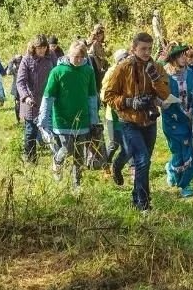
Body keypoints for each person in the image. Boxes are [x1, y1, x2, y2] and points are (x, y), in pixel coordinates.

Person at [102, 32, 171, 212]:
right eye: (143, 49)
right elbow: (108, 95)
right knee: (142, 161)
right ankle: (144, 204)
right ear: (134, 48)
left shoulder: (156, 67)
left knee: (143, 162)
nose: (147, 52)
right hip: (129, 121)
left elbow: (165, 94)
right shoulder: (122, 68)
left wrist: (155, 78)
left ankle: (135, 197)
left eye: (149, 49)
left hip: (149, 121)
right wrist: (129, 102)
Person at [39, 39, 100, 189]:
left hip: (82, 119)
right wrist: (43, 120)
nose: (78, 60)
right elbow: (48, 97)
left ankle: (76, 184)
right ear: (68, 54)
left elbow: (92, 97)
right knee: (68, 148)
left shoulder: (88, 71)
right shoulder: (58, 72)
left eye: (81, 57)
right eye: (75, 56)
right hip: (63, 119)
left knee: (80, 154)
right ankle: (57, 161)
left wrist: (94, 119)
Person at [161, 43, 193, 198]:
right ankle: (172, 168)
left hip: (187, 117)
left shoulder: (189, 73)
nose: (184, 58)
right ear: (173, 59)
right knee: (177, 152)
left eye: (185, 55)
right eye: (180, 55)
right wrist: (163, 102)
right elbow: (159, 94)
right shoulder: (165, 75)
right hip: (171, 119)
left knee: (187, 151)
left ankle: (185, 183)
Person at [16, 35, 56, 163]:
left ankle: (58, 157)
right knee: (31, 131)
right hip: (31, 101)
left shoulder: (51, 57)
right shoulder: (27, 60)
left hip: (48, 98)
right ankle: (30, 159)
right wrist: (26, 97)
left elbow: (58, 73)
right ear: (34, 47)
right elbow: (21, 82)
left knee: (52, 128)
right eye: (39, 48)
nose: (42, 51)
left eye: (44, 47)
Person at [100, 49, 131, 186]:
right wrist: (117, 100)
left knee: (128, 145)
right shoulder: (112, 72)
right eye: (124, 58)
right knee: (114, 144)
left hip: (127, 114)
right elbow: (103, 94)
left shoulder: (131, 70)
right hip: (113, 115)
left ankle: (122, 167)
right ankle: (105, 166)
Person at [85, 24, 110, 93]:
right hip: (96, 65)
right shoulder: (96, 43)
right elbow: (101, 55)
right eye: (101, 34)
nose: (102, 36)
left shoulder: (89, 41)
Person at [6, 54, 24, 125]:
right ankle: (18, 119)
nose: (18, 63)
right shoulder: (14, 69)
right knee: (17, 104)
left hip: (24, 87)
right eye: (17, 62)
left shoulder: (24, 67)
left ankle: (23, 118)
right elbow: (8, 72)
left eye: (20, 61)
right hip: (16, 88)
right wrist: (11, 63)